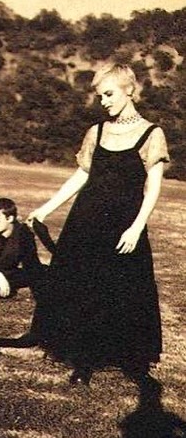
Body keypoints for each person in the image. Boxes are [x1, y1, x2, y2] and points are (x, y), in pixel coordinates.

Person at [20, 63, 169, 388]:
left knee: (119, 292)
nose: (104, 101)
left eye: (109, 94)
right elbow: (81, 176)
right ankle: (82, 360)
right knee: (83, 289)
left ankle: (125, 358)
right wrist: (45, 209)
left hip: (124, 227)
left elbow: (153, 187)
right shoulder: (96, 132)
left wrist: (137, 227)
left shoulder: (152, 133)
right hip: (85, 224)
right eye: (101, 96)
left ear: (129, 90)